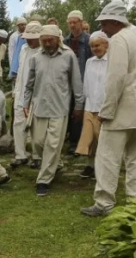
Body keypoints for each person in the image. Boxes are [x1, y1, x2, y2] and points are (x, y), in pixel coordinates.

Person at [81, 1, 136, 217]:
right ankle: (135, 201)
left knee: (107, 157)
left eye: (104, 23)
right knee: (135, 157)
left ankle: (104, 203)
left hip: (122, 109)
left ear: (115, 21)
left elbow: (116, 78)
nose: (102, 28)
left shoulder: (119, 40)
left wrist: (107, 110)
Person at [23, 25, 84, 197]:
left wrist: (79, 106)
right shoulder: (36, 58)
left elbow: (76, 83)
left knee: (53, 144)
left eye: (50, 40)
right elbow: (29, 84)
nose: (47, 43)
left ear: (58, 39)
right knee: (38, 143)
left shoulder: (68, 55)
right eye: (44, 41)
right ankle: (55, 164)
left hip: (60, 108)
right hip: (40, 107)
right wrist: (25, 104)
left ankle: (43, 180)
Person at [75, 32, 109, 179]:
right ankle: (90, 165)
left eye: (97, 45)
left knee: (101, 138)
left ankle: (102, 167)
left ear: (106, 45)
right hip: (90, 104)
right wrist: (84, 101)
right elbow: (86, 83)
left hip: (104, 105)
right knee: (89, 137)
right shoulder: (90, 62)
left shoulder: (112, 61)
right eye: (92, 46)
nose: (95, 48)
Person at [11, 22, 43, 169]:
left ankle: (37, 156)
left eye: (31, 38)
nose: (28, 40)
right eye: (27, 37)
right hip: (21, 92)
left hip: (36, 95)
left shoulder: (43, 52)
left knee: (36, 126)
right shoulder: (23, 49)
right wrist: (16, 90)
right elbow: (20, 71)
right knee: (18, 124)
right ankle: (20, 155)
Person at [64, 11, 92, 153]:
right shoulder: (65, 42)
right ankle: (70, 140)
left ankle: (78, 142)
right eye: (70, 23)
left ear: (81, 22)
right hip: (68, 82)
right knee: (69, 109)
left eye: (75, 22)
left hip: (84, 81)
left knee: (80, 112)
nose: (72, 25)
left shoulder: (89, 41)